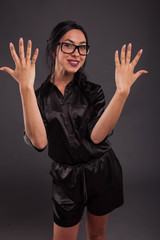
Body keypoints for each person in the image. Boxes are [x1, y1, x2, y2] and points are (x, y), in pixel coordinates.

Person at [0, 20, 148, 240]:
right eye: (68, 45)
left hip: (102, 171)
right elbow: (39, 142)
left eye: (82, 47)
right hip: (66, 179)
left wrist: (122, 93)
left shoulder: (93, 92)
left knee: (97, 236)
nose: (77, 53)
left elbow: (97, 137)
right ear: (54, 48)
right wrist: (26, 89)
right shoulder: (39, 96)